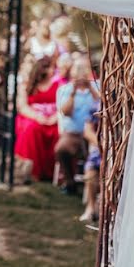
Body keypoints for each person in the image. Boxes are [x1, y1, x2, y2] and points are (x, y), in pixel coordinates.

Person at [55, 58, 99, 195]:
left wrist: (90, 88)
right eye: (77, 70)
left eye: (83, 70)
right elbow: (66, 112)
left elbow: (102, 105)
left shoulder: (97, 87)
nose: (80, 74)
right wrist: (73, 93)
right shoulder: (64, 90)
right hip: (72, 133)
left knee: (95, 153)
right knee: (61, 149)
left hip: (93, 132)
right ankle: (70, 182)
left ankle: (93, 186)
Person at [14, 57, 60, 181]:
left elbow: (62, 107)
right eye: (50, 68)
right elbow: (23, 107)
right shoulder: (27, 85)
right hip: (32, 117)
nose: (53, 71)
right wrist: (37, 117)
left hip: (53, 119)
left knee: (58, 133)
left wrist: (54, 118)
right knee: (32, 129)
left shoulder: (58, 86)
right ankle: (32, 171)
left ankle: (51, 173)